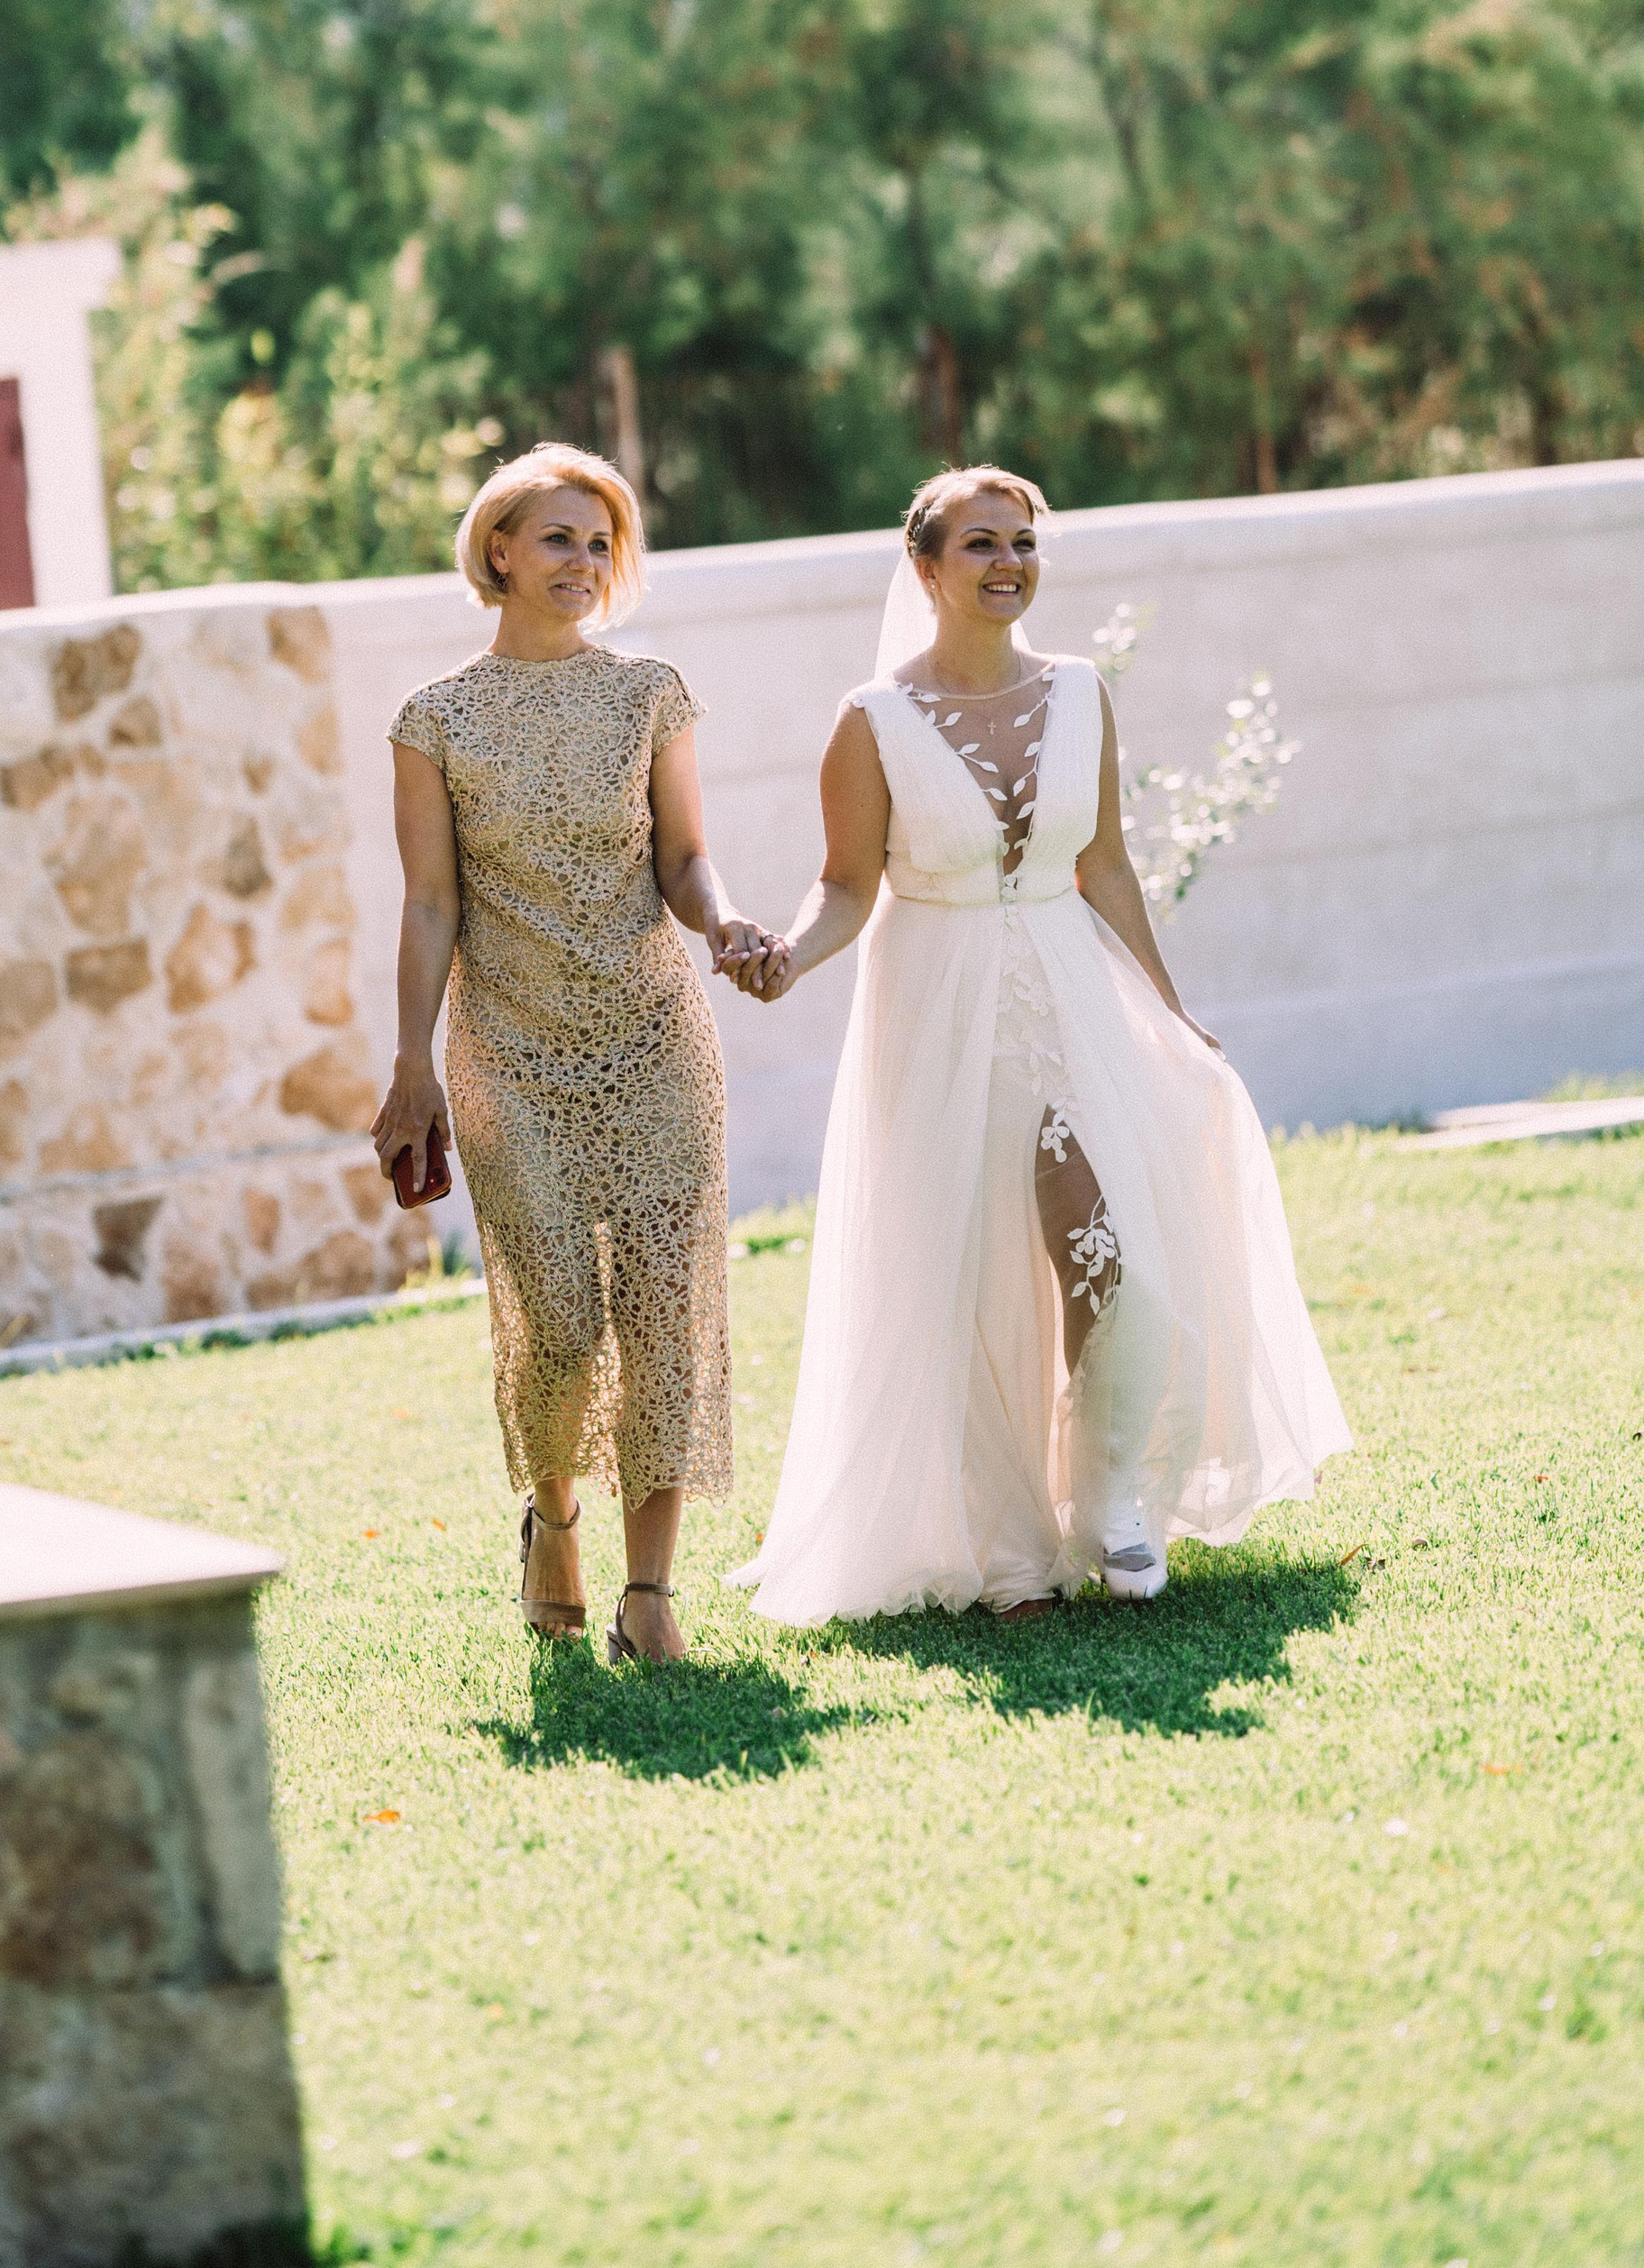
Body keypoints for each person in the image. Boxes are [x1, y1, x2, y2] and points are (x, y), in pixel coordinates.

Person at [726, 466, 1349, 1622]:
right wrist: (788, 958)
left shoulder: (1079, 691)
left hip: (1073, 993)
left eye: (1023, 542)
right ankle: (1006, 1555)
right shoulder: (869, 721)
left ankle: (1109, 1502)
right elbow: (845, 884)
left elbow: (1103, 862)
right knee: (958, 1273)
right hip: (936, 1000)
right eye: (980, 544)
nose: (1008, 562)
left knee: (1115, 1253)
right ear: (925, 567)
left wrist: (1168, 1009)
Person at [373, 444, 773, 1664]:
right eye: (560, 540)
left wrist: (725, 924)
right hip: (508, 1051)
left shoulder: (648, 692)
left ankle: (649, 1595)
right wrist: (410, 1065)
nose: (585, 565)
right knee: (557, 1323)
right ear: (498, 550)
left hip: (653, 1035)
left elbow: (685, 859)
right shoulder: (434, 718)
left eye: (601, 545)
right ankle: (553, 1518)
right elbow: (431, 903)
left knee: (662, 1307)